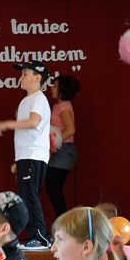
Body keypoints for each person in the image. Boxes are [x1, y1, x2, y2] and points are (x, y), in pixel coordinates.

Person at [0, 60, 53, 250]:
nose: (21, 77)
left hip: (33, 155)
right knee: (27, 195)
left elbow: (34, 122)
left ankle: (40, 236)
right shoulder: (26, 101)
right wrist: (18, 160)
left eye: (25, 74)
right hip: (27, 155)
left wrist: (7, 124)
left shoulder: (38, 98)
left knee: (30, 197)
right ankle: (37, 235)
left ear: (37, 78)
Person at [46, 75, 81, 217]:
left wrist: (53, 142)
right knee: (53, 188)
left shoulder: (64, 106)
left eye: (55, 86)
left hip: (64, 151)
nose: (51, 88)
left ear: (62, 90)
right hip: (60, 151)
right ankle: (62, 221)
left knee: (53, 188)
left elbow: (71, 129)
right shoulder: (59, 105)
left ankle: (62, 222)